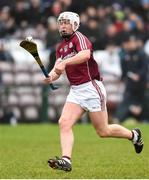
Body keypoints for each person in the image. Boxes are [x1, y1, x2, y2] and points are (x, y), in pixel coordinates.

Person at [43, 11, 144, 172]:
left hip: (91, 88)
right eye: (61, 22)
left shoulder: (80, 38)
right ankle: (66, 160)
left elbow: (84, 55)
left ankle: (134, 135)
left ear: (75, 24)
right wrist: (50, 77)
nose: (63, 25)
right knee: (64, 123)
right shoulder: (60, 47)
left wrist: (64, 64)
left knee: (103, 131)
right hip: (75, 91)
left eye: (66, 22)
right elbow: (57, 71)